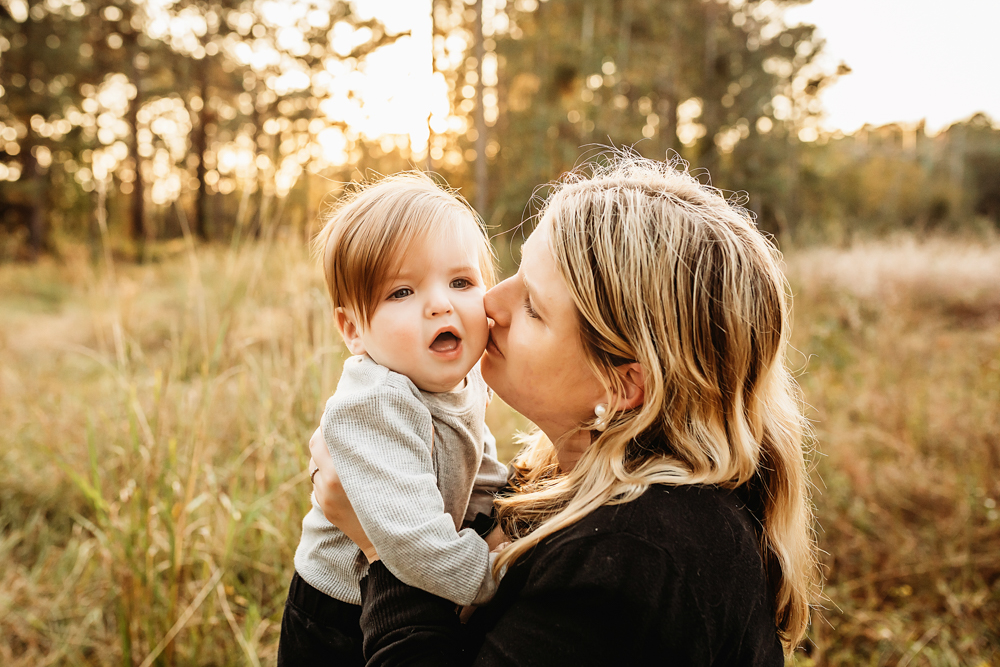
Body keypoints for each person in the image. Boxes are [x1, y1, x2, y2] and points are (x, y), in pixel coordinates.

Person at [310, 153, 818, 665]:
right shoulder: (588, 485)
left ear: (621, 383)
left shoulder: (631, 562)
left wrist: (379, 554)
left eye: (532, 304)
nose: (490, 305)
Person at [278, 173, 508, 666]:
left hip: (414, 585)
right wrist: (495, 574)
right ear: (353, 329)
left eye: (461, 281)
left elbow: (479, 462)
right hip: (339, 610)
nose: (440, 303)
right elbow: (412, 545)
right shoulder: (376, 401)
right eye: (402, 292)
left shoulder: (461, 381)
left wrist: (496, 517)